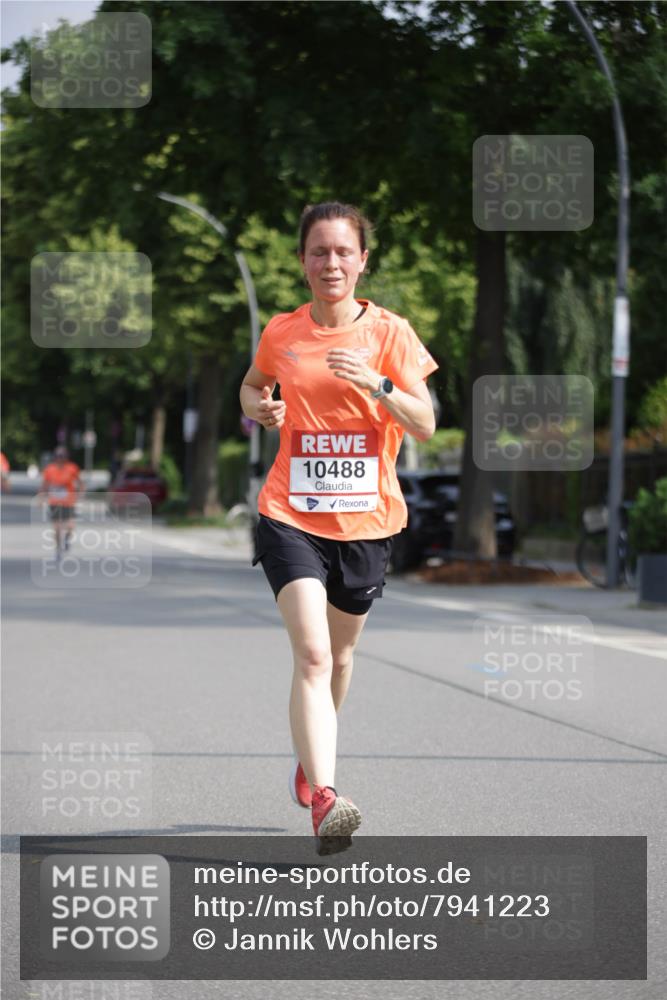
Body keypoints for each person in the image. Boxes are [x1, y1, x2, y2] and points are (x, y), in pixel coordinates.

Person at [240, 201, 438, 855]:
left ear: (361, 260)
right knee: (314, 654)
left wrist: (380, 385)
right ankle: (326, 797)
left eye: (342, 252)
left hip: (365, 520)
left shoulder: (390, 333)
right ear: (302, 260)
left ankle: (309, 750)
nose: (330, 262)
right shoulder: (282, 332)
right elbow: (251, 387)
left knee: (342, 657)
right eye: (318, 251)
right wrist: (261, 409)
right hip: (289, 513)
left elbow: (424, 423)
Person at [40, 446, 83, 556]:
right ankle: (58, 548)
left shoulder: (72, 468)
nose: (60, 459)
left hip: (68, 501)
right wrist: (41, 498)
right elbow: (45, 485)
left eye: (63, 456)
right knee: (57, 527)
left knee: (70, 526)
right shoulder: (49, 469)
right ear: (55, 457)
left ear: (66, 457)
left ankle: (67, 539)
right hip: (54, 502)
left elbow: (80, 483)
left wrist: (79, 494)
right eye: (58, 456)